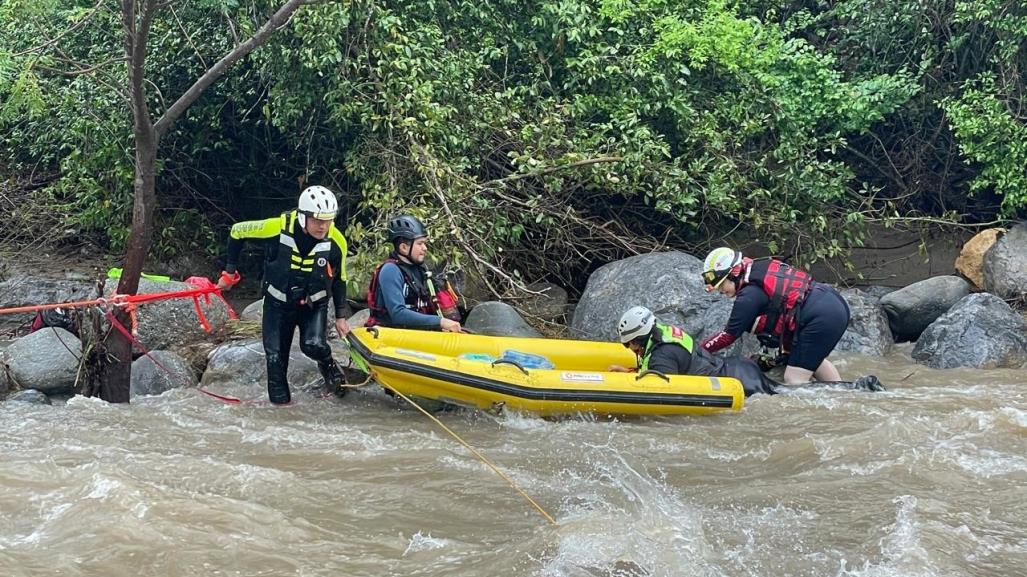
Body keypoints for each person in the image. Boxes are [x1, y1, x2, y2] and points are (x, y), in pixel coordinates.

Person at [216, 185, 351, 405]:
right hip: (277, 304)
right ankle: (283, 412)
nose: (323, 226)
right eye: (318, 220)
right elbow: (237, 231)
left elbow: (340, 279)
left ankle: (330, 368)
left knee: (314, 345)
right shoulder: (276, 227)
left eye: (327, 220)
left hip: (313, 304)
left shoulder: (337, 241)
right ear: (302, 216)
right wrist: (229, 272)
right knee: (275, 359)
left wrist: (341, 316)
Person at [699, 247, 849, 385]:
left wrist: (698, 351)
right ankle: (845, 392)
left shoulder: (749, 295)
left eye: (721, 284)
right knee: (809, 360)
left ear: (733, 274)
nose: (720, 290)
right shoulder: (757, 270)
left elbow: (728, 335)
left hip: (821, 315)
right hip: (832, 303)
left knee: (793, 379)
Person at [609, 306, 778, 397]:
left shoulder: (661, 355)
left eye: (627, 345)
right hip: (740, 367)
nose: (629, 349)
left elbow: (662, 394)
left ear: (637, 339)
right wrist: (629, 372)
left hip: (735, 382)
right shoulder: (664, 333)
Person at [365, 214, 462, 332]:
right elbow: (398, 314)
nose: (425, 248)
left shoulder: (420, 269)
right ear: (404, 248)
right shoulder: (390, 270)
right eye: (420, 243)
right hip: (391, 335)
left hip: (416, 334)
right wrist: (440, 322)